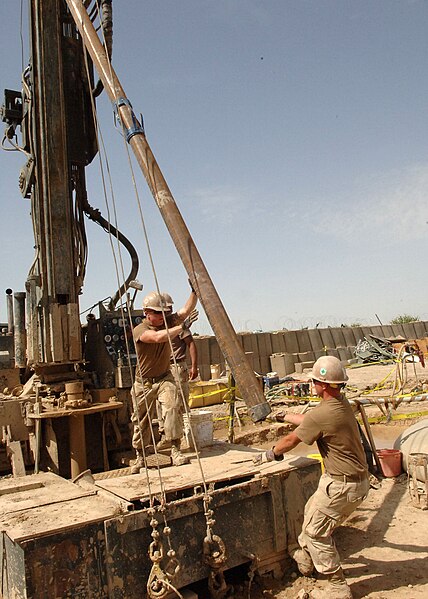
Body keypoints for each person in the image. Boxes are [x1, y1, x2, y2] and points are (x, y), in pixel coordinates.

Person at [253, 356, 370, 599]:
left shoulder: (323, 414)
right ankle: (307, 561)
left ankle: (337, 585)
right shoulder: (340, 403)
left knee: (316, 532)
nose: (312, 384)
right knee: (311, 511)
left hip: (341, 486)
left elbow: (291, 441)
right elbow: (311, 421)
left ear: (324, 385)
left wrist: (270, 453)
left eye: (315, 381)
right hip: (354, 481)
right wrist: (283, 415)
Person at [130, 287, 198, 472]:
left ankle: (175, 449)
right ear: (147, 313)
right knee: (141, 420)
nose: (162, 317)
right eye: (158, 313)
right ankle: (140, 456)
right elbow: (157, 338)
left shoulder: (167, 322)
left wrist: (194, 291)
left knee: (172, 409)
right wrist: (181, 327)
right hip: (142, 383)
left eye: (164, 313)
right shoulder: (140, 330)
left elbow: (185, 311)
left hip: (164, 378)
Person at [156, 292, 199, 450]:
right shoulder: (159, 326)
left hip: (177, 366)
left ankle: (182, 439)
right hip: (164, 367)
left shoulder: (176, 324)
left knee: (179, 403)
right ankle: (166, 436)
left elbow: (191, 344)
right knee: (162, 403)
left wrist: (194, 366)